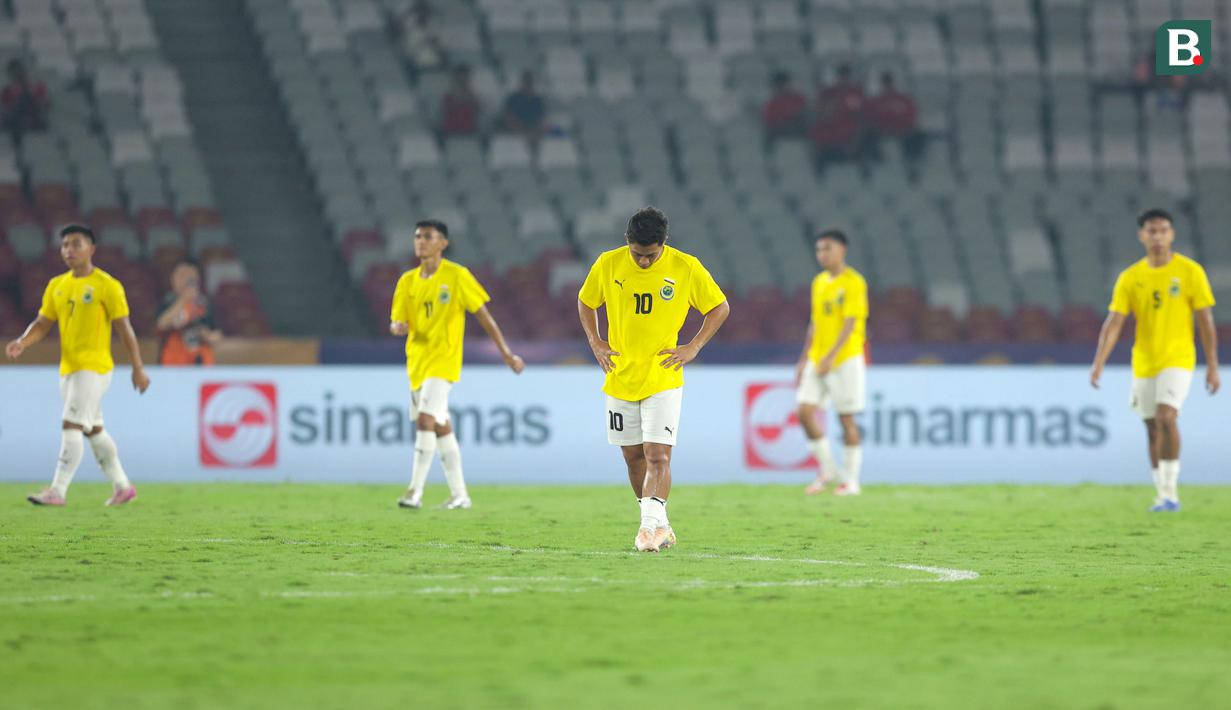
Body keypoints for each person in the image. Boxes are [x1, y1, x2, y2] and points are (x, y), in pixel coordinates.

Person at [577, 207, 730, 552]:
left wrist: (693, 346)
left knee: (658, 454)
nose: (643, 262)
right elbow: (586, 302)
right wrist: (596, 341)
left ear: (663, 244)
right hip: (620, 374)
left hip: (663, 375)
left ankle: (647, 529)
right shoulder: (608, 263)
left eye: (650, 255)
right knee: (633, 457)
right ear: (627, 242)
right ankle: (661, 524)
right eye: (637, 255)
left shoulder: (685, 267)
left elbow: (719, 307)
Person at [5, 225, 150, 506]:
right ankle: (122, 486)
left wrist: (138, 367)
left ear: (92, 249)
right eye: (65, 245)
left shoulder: (107, 285)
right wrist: (23, 341)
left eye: (76, 244)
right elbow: (43, 323)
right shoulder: (57, 285)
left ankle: (57, 491)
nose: (69, 250)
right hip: (69, 369)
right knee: (93, 430)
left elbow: (125, 329)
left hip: (94, 368)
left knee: (71, 424)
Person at [1090, 208, 1219, 512]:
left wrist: (1212, 365)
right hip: (1145, 362)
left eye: (1163, 230)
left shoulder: (1190, 272)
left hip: (1178, 358)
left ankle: (1172, 492)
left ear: (1171, 234)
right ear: (1142, 236)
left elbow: (1206, 321)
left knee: (1166, 417)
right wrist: (1099, 363)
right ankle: (1162, 493)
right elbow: (1115, 322)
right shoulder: (1131, 277)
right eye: (1152, 231)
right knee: (1150, 426)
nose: (1157, 236)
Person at [391, 219, 524, 510]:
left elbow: (484, 316)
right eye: (417, 236)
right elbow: (397, 321)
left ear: (443, 243)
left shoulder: (457, 276)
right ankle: (460, 494)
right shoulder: (406, 282)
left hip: (444, 361)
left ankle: (415, 491)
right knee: (440, 426)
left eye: (428, 236)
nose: (420, 241)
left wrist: (506, 353)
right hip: (417, 363)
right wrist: (398, 326)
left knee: (426, 419)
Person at [795, 230, 868, 496]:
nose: (822, 254)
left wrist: (832, 356)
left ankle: (851, 481)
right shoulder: (819, 282)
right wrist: (804, 359)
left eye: (827, 248)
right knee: (804, 411)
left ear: (842, 250)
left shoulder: (854, 282)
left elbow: (851, 323)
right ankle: (829, 469)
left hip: (844, 359)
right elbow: (815, 322)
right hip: (817, 358)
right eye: (819, 250)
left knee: (846, 418)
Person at [156, 260, 222, 366]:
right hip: (172, 362)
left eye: (189, 276)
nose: (184, 280)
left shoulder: (205, 303)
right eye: (180, 275)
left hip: (200, 361)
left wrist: (207, 336)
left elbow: (217, 334)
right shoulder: (167, 301)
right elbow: (162, 324)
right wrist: (184, 300)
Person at [810, 65, 864, 165]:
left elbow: (856, 109)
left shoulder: (854, 92)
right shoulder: (830, 91)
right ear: (838, 76)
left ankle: (850, 155)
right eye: (842, 76)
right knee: (819, 129)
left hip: (848, 123)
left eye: (846, 76)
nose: (843, 78)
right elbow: (821, 105)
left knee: (853, 130)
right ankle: (821, 157)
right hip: (831, 122)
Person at [864, 73, 922, 161]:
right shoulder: (876, 101)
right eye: (885, 84)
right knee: (867, 134)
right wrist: (879, 126)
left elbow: (911, 114)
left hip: (901, 128)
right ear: (882, 85)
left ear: (893, 83)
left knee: (917, 134)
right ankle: (871, 158)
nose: (887, 86)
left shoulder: (903, 99)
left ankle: (912, 158)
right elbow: (870, 116)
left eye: (889, 83)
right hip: (882, 129)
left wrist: (906, 126)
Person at [1, 59, 49, 145]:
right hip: (15, 119)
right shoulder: (7, 91)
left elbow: (44, 103)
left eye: (19, 71)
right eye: (14, 73)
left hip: (33, 117)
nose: (18, 75)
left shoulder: (37, 86)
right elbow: (6, 108)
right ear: (10, 75)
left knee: (25, 98)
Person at [397, 0, 446, 82]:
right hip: (414, 64)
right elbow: (396, 28)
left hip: (434, 64)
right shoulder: (408, 24)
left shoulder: (435, 25)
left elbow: (440, 46)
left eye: (424, 10)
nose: (422, 13)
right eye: (419, 10)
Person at [761, 70, 808, 143]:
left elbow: (806, 116)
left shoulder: (800, 98)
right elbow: (768, 123)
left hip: (800, 131)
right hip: (780, 133)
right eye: (778, 85)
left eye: (783, 84)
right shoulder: (771, 103)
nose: (781, 87)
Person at [501, 71, 547, 143]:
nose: (528, 84)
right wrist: (520, 130)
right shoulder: (513, 99)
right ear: (522, 82)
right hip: (515, 133)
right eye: (526, 82)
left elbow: (541, 119)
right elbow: (508, 117)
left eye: (530, 82)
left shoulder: (538, 101)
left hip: (532, 133)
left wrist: (533, 132)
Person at [440, 65, 480, 137]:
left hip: (469, 132)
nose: (462, 80)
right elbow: (445, 113)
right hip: (451, 132)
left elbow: (477, 112)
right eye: (460, 78)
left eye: (465, 77)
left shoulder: (473, 97)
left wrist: (469, 99)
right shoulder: (448, 97)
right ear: (455, 79)